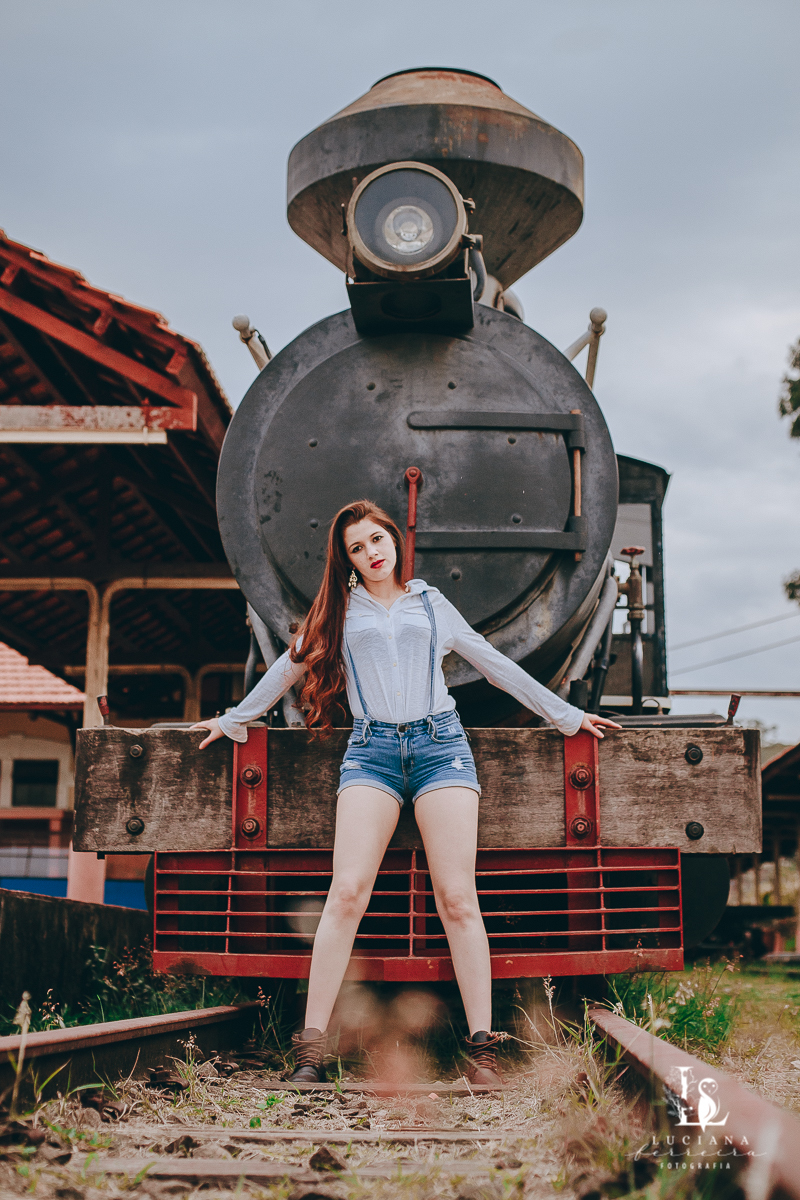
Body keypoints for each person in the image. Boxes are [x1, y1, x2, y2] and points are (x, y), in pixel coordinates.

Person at [191, 500, 619, 1086]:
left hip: (441, 745)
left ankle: (481, 1050)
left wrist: (566, 716)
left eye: (377, 539)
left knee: (457, 899)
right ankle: (311, 1052)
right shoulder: (338, 614)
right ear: (346, 561)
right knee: (345, 894)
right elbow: (287, 668)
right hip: (371, 752)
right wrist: (236, 718)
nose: (372, 553)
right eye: (357, 548)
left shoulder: (430, 603)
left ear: (393, 538)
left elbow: (493, 664)